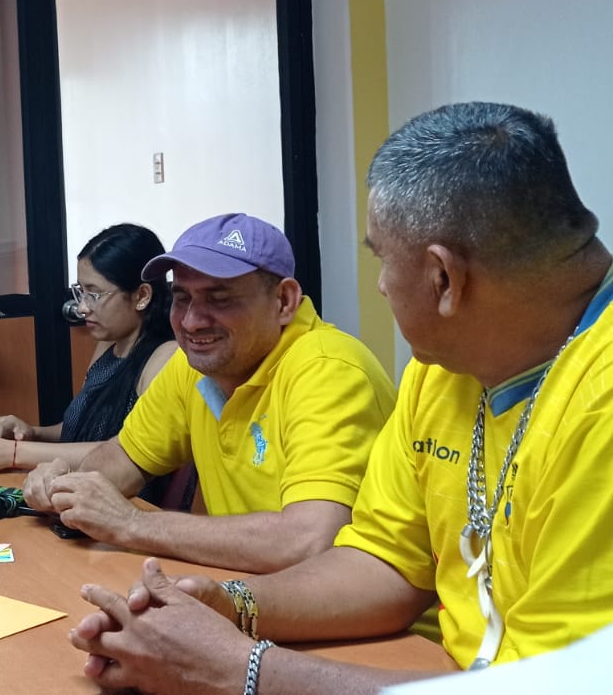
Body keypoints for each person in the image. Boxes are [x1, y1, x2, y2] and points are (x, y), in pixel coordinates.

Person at [69, 102, 613, 693]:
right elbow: (382, 561)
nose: (379, 285)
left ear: (443, 279)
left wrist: (238, 669)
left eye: (382, 258)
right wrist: (225, 605)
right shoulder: (443, 371)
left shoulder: (599, 402)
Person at [24, 213, 396, 573]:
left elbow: (311, 541)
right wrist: (68, 485)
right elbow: (124, 457)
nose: (191, 322)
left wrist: (132, 523)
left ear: (283, 301)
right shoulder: (192, 365)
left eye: (219, 299)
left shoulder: (328, 370)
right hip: (247, 591)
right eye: (182, 298)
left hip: (348, 609)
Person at [0, 225, 178, 488]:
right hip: (76, 487)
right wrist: (31, 433)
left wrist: (11, 453)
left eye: (94, 294)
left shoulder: (165, 358)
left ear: (141, 295)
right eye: (81, 292)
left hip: (120, 498)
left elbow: (123, 454)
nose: (82, 308)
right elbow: (82, 429)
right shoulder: (109, 343)